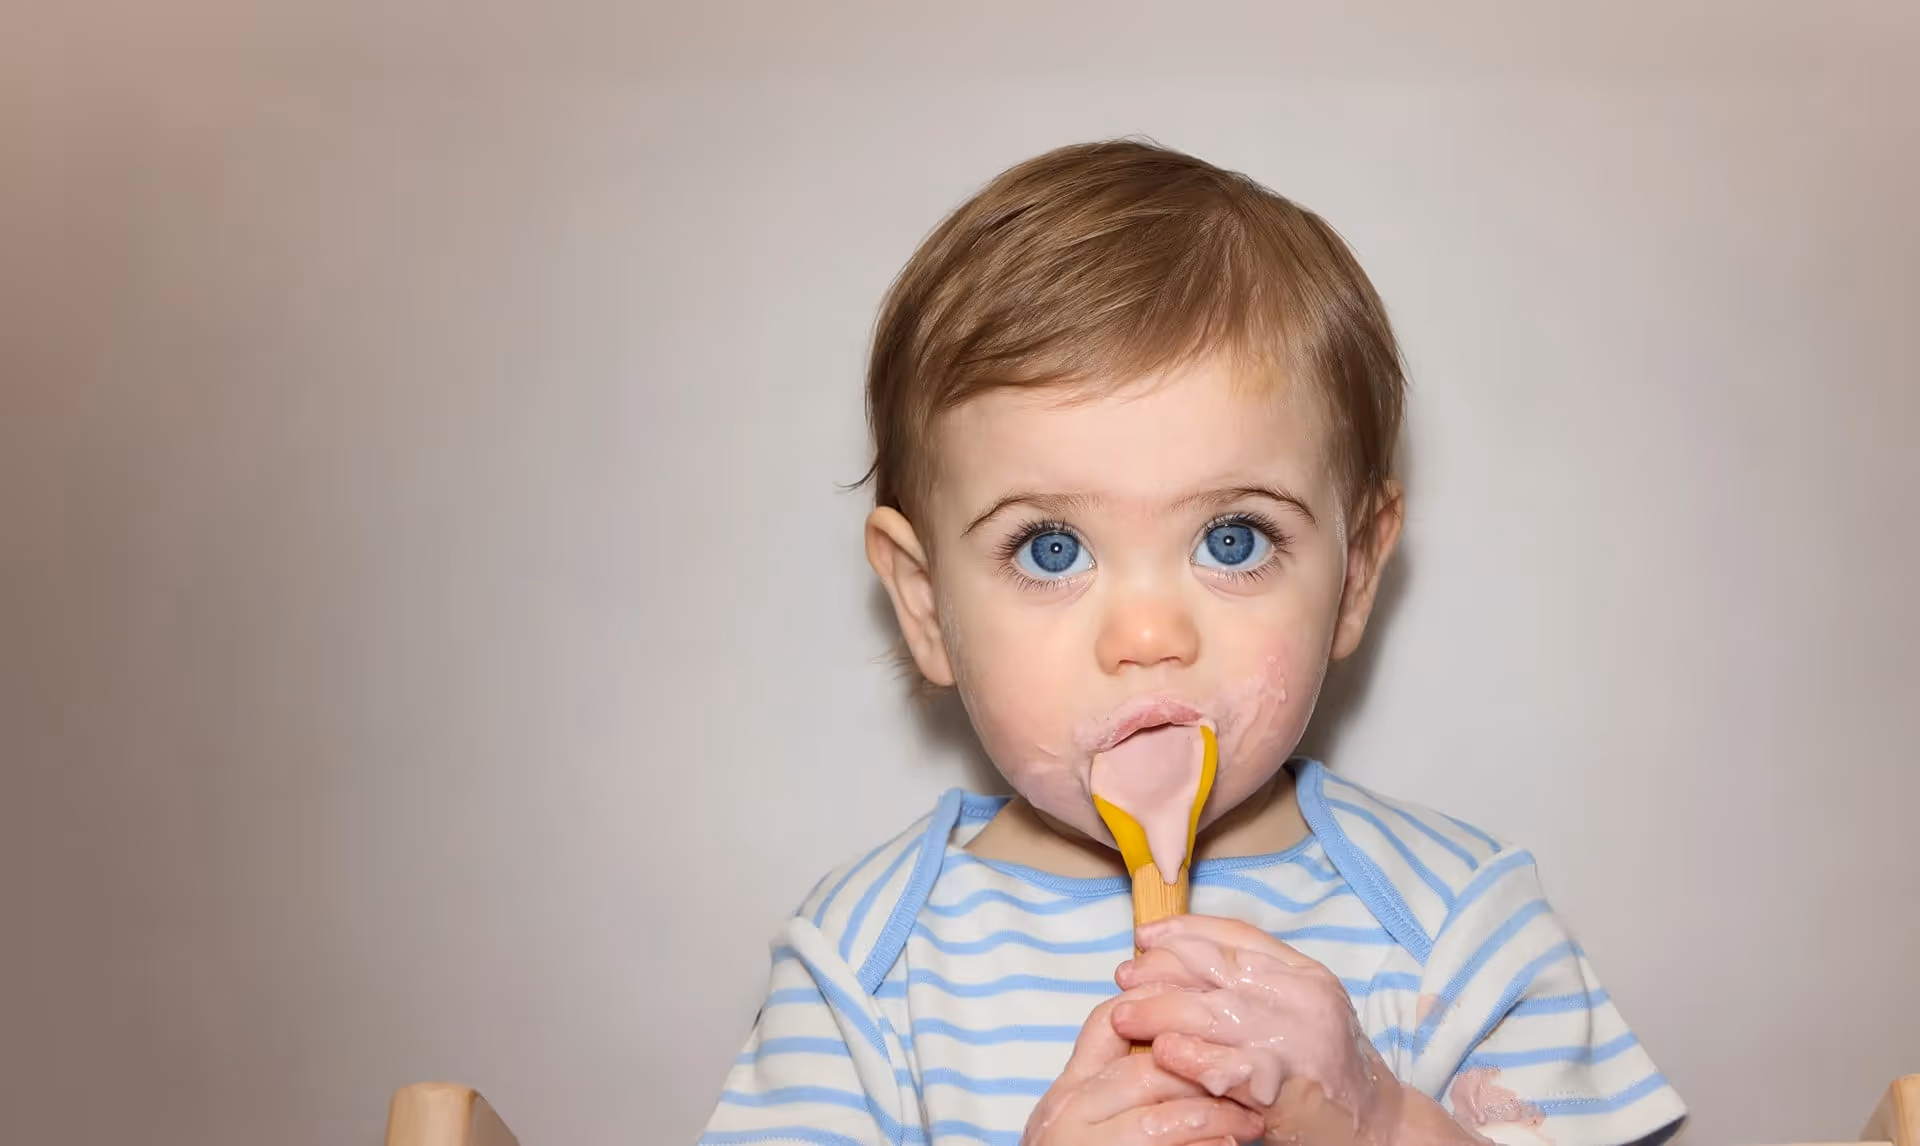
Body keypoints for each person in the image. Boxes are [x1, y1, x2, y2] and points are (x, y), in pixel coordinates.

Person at [698, 139, 1684, 1146]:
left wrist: (1383, 1124)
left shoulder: (1459, 930)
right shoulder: (867, 968)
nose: (1148, 635)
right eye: (1049, 549)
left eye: (1232, 539)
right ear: (922, 602)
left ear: (1354, 575)